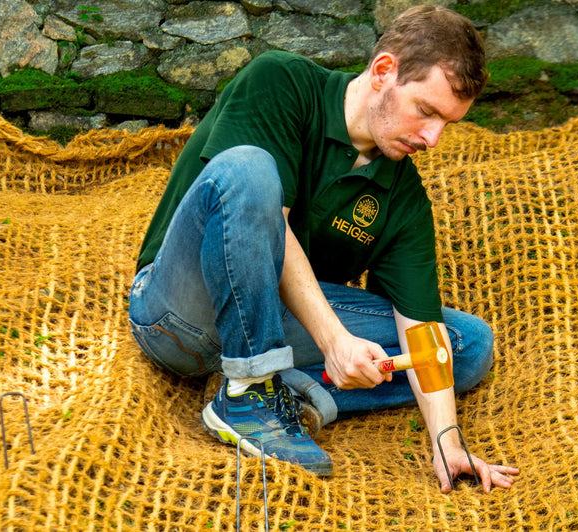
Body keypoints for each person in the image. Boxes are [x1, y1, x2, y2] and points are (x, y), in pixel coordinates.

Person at [127, 5, 518, 492]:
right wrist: (335, 341)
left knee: (466, 345)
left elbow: (421, 330)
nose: (433, 139)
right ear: (383, 71)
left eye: (447, 123)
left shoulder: (403, 194)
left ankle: (291, 393)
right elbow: (271, 222)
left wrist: (448, 443)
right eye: (426, 111)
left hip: (275, 323)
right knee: (248, 167)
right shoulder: (280, 81)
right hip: (181, 314)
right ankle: (249, 393)